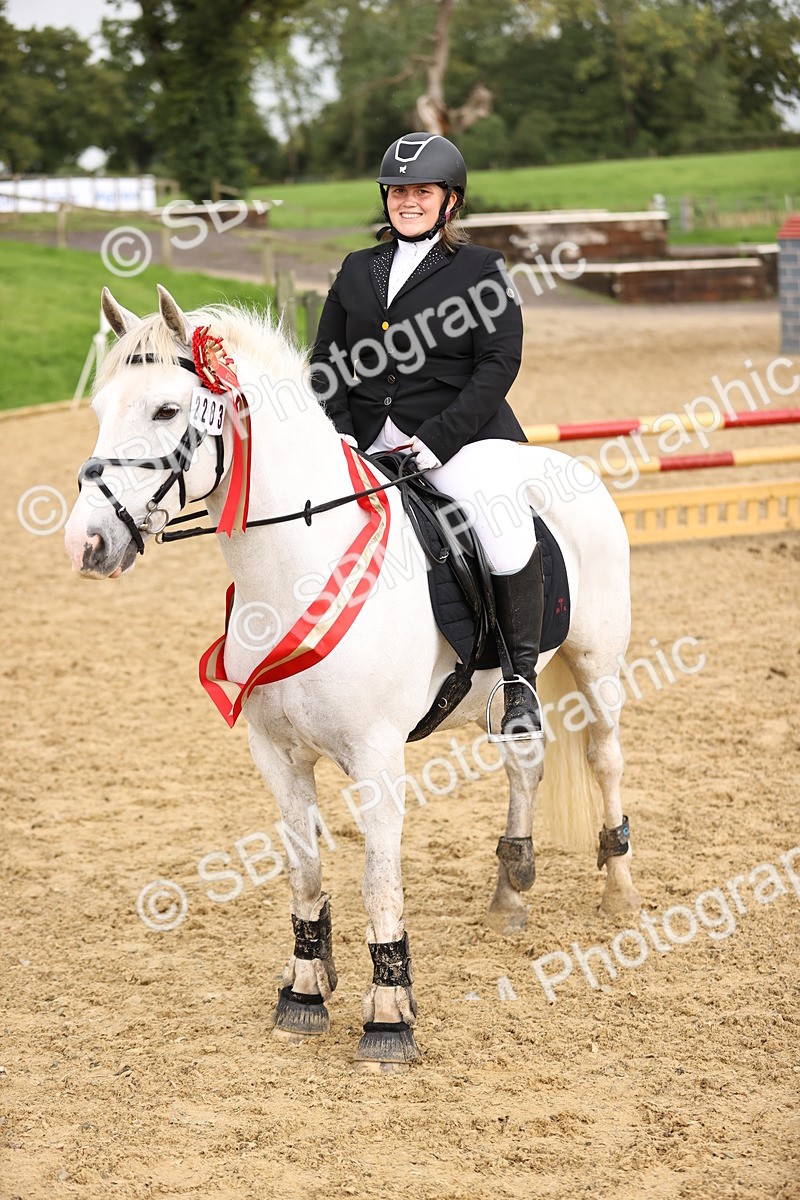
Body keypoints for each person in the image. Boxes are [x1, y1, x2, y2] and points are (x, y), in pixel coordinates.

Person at [310, 131, 544, 741]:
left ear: (450, 200)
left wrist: (440, 438)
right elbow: (326, 360)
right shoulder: (356, 269)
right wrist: (340, 433)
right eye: (397, 192)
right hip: (365, 442)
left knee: (499, 522)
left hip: (460, 439)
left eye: (422, 192)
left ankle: (519, 682)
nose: (407, 202)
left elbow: (499, 361)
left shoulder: (481, 267)